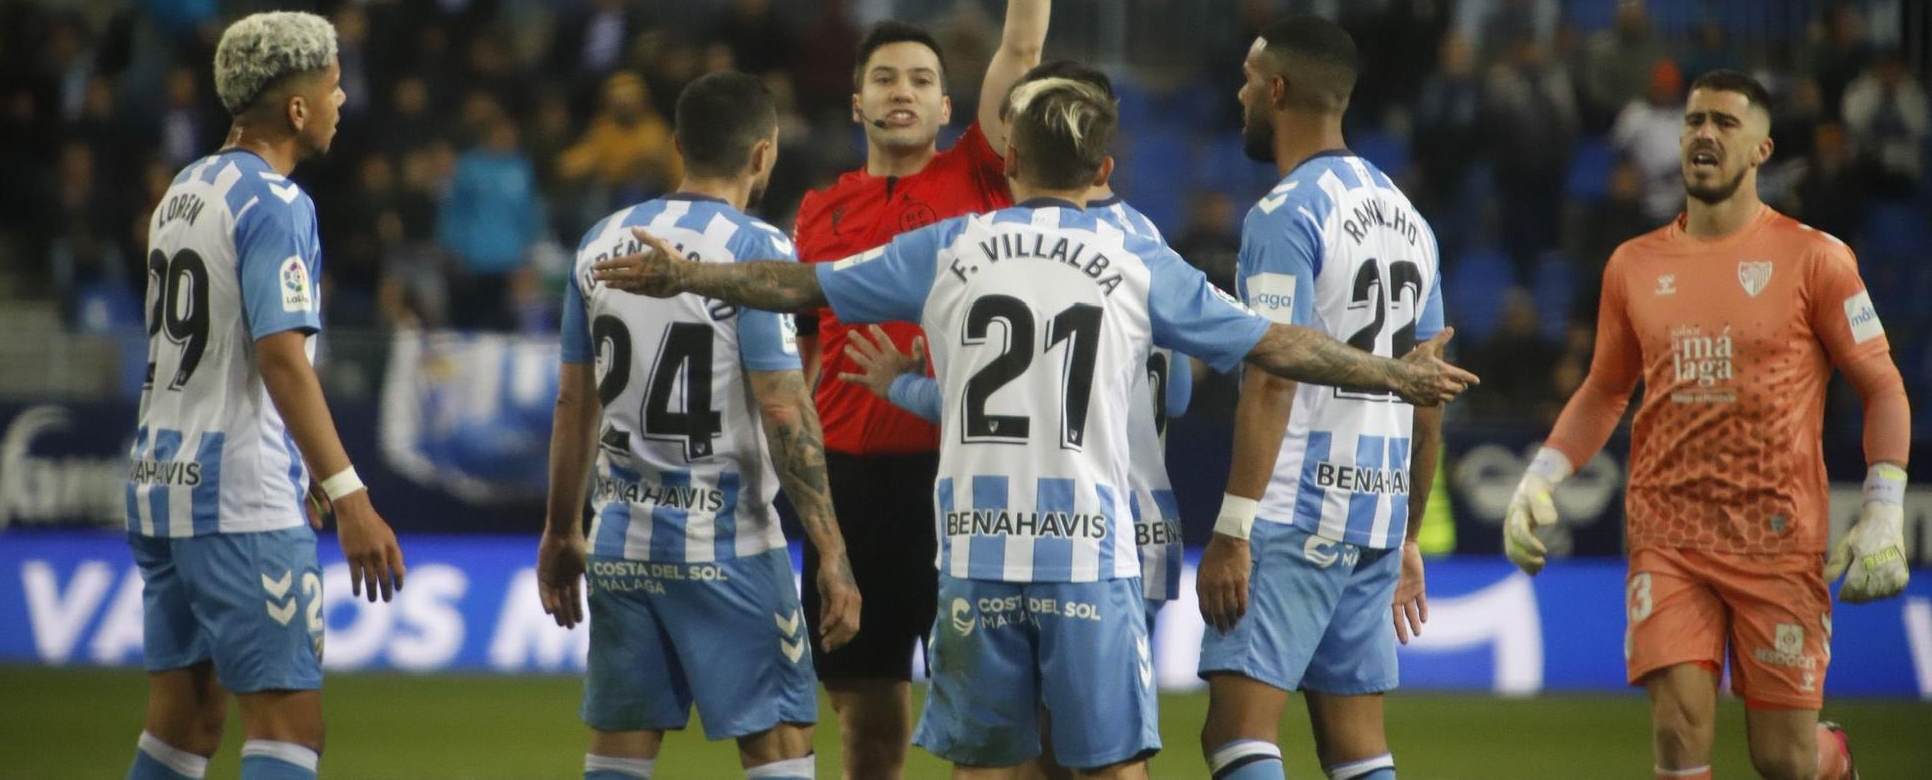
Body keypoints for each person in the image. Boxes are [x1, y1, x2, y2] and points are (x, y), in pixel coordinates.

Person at [590, 75, 1475, 779]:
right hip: (1090, 554)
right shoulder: (1135, 254)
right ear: (1104, 169)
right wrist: (1392, 371)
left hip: (975, 558)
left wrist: (692, 275)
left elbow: (799, 285)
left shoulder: (949, 245)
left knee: (984, 768)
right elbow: (1276, 344)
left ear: (1009, 156)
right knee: (1113, 767)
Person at [1503, 69, 1911, 780]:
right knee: (1678, 729)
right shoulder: (1633, 264)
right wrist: (1540, 475)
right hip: (1669, 534)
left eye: (1725, 122)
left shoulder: (1817, 258)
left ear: (1762, 149)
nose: (1704, 134)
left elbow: (1882, 386)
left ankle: (1831, 755)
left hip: (1778, 535)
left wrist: (1883, 509)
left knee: (1783, 758)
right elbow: (1604, 388)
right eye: (1694, 121)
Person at [789, 0, 1065, 779]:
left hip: (964, 477)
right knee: (869, 728)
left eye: (920, 79)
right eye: (883, 79)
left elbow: (1023, 41)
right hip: (852, 487)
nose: (902, 92)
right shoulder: (819, 208)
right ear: (856, 103)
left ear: (953, 109)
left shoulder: (977, 177)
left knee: (987, 727)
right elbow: (797, 347)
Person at [836, 59, 1194, 780]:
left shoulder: (979, 242)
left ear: (1016, 148)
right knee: (1095, 750)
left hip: (1007, 531)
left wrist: (903, 388)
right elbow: (1176, 392)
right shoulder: (1145, 243)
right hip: (1127, 529)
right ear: (1102, 151)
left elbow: (1007, 403)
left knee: (1010, 751)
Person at [537, 71, 861, 780]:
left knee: (617, 755)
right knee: (779, 742)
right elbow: (783, 404)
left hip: (622, 538)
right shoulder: (754, 248)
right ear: (764, 155)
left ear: (678, 145)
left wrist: (563, 529)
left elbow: (573, 404)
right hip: (730, 543)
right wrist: (831, 550)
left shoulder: (599, 241)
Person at [124, 12, 406, 780]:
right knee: (289, 727)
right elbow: (280, 356)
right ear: (296, 108)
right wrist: (349, 492)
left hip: (162, 483)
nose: (342, 98)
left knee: (184, 726)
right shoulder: (277, 203)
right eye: (334, 84)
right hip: (237, 494)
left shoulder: (184, 190)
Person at [1196, 16, 1450, 780]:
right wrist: (1406, 534)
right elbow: (1428, 395)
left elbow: (1274, 374)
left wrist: (1234, 528)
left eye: (1248, 78)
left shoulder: (1284, 214)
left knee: (1237, 735)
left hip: (1292, 511)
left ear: (1276, 89)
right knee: (1357, 747)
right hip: (1372, 516)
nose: (1240, 92)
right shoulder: (1409, 218)